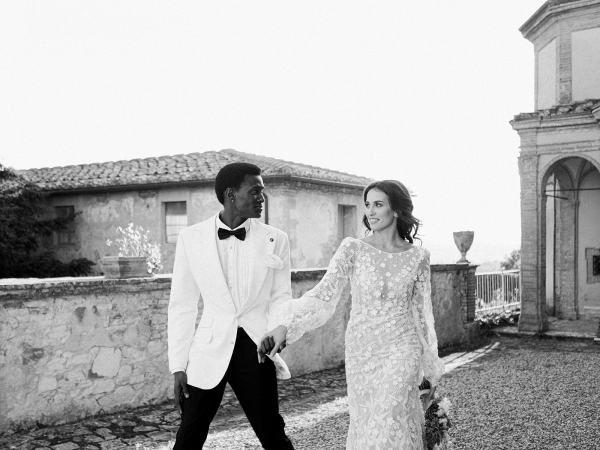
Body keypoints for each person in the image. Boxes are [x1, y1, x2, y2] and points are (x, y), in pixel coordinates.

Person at [261, 180, 444, 450]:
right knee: (368, 420)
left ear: (396, 210)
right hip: (363, 350)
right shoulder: (352, 249)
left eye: (378, 204)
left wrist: (431, 369)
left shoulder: (418, 257)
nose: (370, 211)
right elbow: (323, 294)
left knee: (393, 411)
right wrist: (285, 325)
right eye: (367, 204)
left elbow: (422, 315)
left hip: (403, 346)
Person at [168, 162, 295, 449]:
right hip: (207, 349)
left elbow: (281, 296)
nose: (262, 198)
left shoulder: (277, 239)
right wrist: (178, 365)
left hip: (256, 348)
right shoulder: (191, 239)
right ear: (230, 194)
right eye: (255, 191)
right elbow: (182, 305)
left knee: (272, 433)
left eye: (262, 192)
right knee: (188, 434)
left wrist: (277, 330)